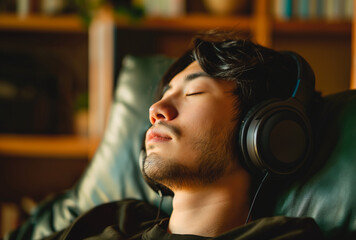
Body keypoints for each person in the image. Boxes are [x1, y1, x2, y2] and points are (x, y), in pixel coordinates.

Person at [42, 31, 324, 239]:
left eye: (194, 92)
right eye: (165, 94)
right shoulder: (115, 220)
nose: (155, 110)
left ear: (263, 133)